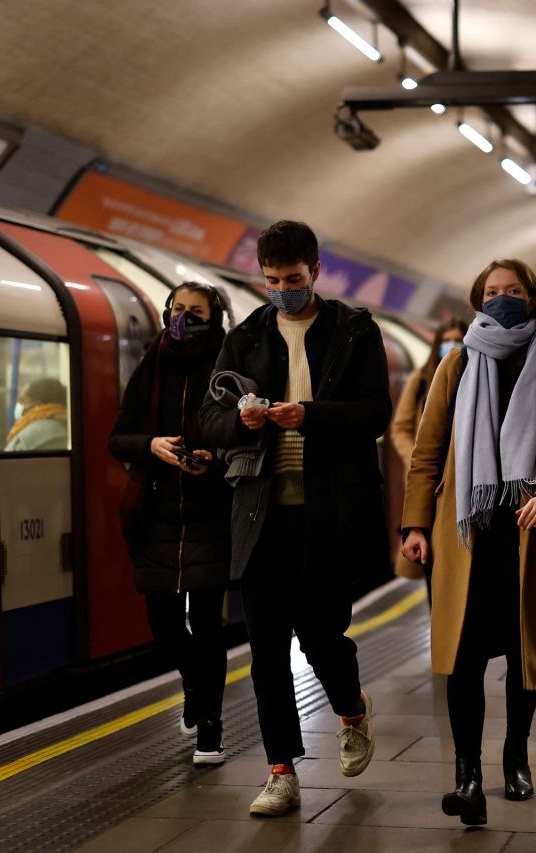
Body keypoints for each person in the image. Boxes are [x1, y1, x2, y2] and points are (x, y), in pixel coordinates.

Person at [198, 220, 388, 818]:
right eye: (273, 280)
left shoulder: (354, 330)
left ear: (317, 272)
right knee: (267, 652)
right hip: (260, 515)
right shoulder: (247, 336)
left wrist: (305, 415)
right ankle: (281, 770)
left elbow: (373, 414)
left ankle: (352, 711)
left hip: (327, 511)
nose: (283, 290)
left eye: (295, 279)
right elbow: (210, 418)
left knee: (323, 638)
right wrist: (241, 424)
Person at [402, 259, 536, 826]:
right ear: (478, 300)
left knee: (525, 650)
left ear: (533, 297)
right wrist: (413, 525)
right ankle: (467, 774)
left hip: (531, 531)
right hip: (466, 533)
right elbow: (427, 453)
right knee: (463, 656)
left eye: (513, 290)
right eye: (492, 291)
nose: (502, 298)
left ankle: (516, 756)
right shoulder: (456, 364)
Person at [108, 281, 232, 766]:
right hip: (156, 510)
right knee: (162, 624)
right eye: (178, 309)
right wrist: (151, 445)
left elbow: (244, 432)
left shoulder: (228, 364)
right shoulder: (151, 363)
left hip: (210, 510)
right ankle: (193, 680)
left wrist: (214, 458)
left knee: (206, 623)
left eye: (195, 311)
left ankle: (211, 731)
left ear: (214, 317)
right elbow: (118, 437)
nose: (184, 317)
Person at [392, 318, 468, 592]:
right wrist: (416, 459)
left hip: (461, 478)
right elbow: (400, 427)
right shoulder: (422, 379)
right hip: (427, 479)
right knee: (430, 551)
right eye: (446, 339)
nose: (452, 345)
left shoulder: (475, 375)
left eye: (458, 339)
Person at [4, 378, 68, 452]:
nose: (18, 405)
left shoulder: (30, 436)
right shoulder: (65, 424)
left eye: (22, 400)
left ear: (37, 404)